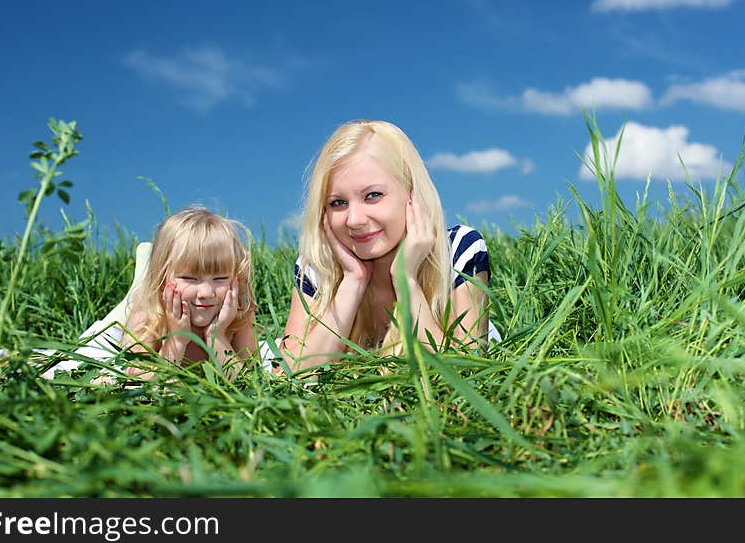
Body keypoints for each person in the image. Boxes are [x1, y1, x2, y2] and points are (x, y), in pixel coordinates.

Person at [277, 119, 500, 374]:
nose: (354, 220)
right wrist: (353, 281)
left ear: (412, 194)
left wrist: (406, 279)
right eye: (338, 203)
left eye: (372, 196)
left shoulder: (460, 250)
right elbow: (286, 374)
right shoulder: (318, 266)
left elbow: (466, 375)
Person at [118, 205, 258, 381]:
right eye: (190, 278)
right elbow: (137, 379)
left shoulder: (239, 313)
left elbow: (251, 381)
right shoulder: (151, 314)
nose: (206, 293)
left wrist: (217, 336)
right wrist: (177, 340)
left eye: (220, 278)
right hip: (145, 305)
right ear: (162, 278)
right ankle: (143, 265)